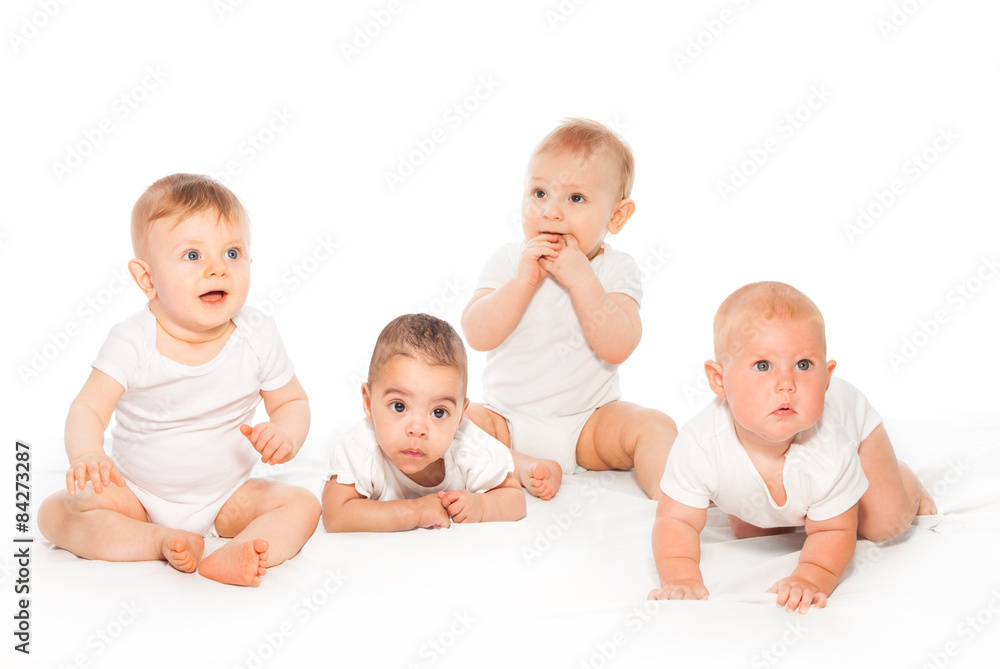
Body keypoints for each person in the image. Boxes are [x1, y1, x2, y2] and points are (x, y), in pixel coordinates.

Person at [37, 173, 320, 586]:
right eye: (192, 255)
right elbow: (89, 408)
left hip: (229, 496)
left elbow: (292, 402)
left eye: (232, 253)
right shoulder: (133, 340)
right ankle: (156, 539)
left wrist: (286, 434)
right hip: (137, 496)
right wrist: (86, 454)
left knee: (302, 504)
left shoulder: (257, 334)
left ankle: (238, 552)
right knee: (55, 513)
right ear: (147, 279)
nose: (217, 269)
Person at [649, 281, 937, 613]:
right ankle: (806, 503)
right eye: (763, 365)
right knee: (752, 531)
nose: (786, 384)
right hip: (785, 476)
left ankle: (904, 479)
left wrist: (810, 577)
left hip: (857, 431)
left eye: (803, 365)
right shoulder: (700, 444)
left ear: (826, 377)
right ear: (719, 380)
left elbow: (833, 530)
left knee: (883, 522)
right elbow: (676, 521)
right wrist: (681, 578)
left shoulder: (831, 446)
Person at [461, 117, 677, 500]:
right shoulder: (510, 261)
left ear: (616, 216)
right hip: (504, 420)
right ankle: (519, 462)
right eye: (539, 193)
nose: (551, 212)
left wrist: (582, 280)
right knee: (453, 424)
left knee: (656, 426)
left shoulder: (615, 269)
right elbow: (477, 335)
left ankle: (674, 500)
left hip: (588, 424)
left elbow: (619, 346)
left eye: (575, 198)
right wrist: (522, 283)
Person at [321, 314, 525, 531]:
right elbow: (335, 515)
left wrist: (482, 505)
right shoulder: (360, 450)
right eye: (399, 406)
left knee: (501, 443)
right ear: (369, 403)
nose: (417, 429)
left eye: (439, 412)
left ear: (460, 416)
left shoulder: (467, 446)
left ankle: (525, 462)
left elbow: (515, 498)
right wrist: (415, 511)